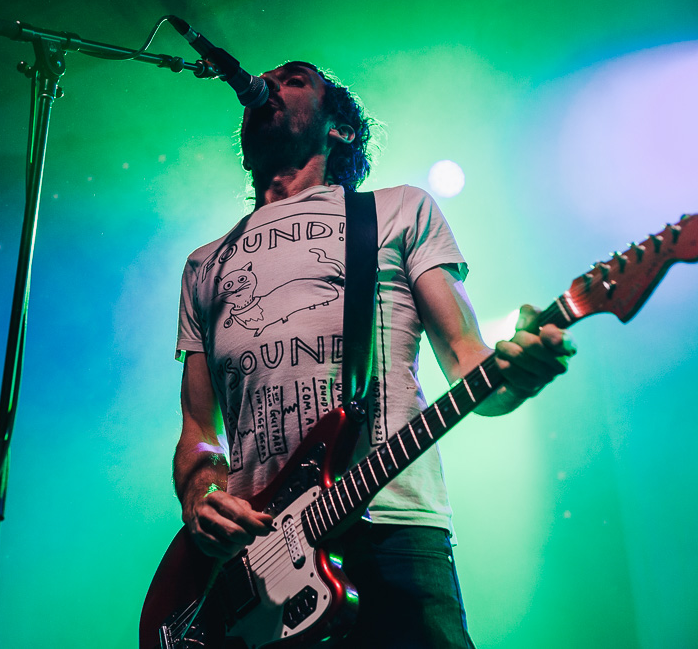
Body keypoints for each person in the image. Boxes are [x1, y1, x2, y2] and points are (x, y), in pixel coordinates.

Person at [171, 61, 576, 648]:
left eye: (294, 79)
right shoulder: (204, 264)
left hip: (391, 532)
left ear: (341, 129)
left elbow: (467, 358)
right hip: (253, 573)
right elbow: (196, 428)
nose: (267, 84)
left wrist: (516, 376)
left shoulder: (398, 210)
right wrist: (201, 498)